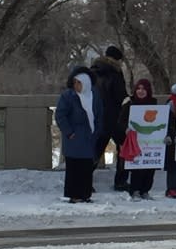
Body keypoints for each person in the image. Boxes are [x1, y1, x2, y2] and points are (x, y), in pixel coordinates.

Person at [55, 66, 104, 203]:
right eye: (75, 82)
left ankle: (85, 194)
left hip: (89, 137)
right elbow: (60, 115)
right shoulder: (68, 96)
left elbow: (99, 115)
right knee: (73, 167)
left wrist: (97, 132)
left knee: (86, 168)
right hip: (74, 137)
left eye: (79, 83)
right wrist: (69, 132)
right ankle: (73, 195)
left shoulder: (94, 95)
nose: (76, 85)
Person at [91, 45, 129, 190]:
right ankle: (120, 181)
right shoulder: (115, 73)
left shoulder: (92, 72)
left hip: (97, 117)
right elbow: (120, 96)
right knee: (124, 147)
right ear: (117, 59)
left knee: (96, 149)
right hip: (114, 117)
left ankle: (85, 180)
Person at [116, 79, 158, 200]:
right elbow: (120, 122)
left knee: (149, 166)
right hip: (135, 141)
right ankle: (135, 190)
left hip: (151, 141)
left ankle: (145, 190)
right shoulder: (130, 104)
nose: (141, 91)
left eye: (143, 89)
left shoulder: (154, 104)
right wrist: (126, 129)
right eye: (138, 88)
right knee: (137, 167)